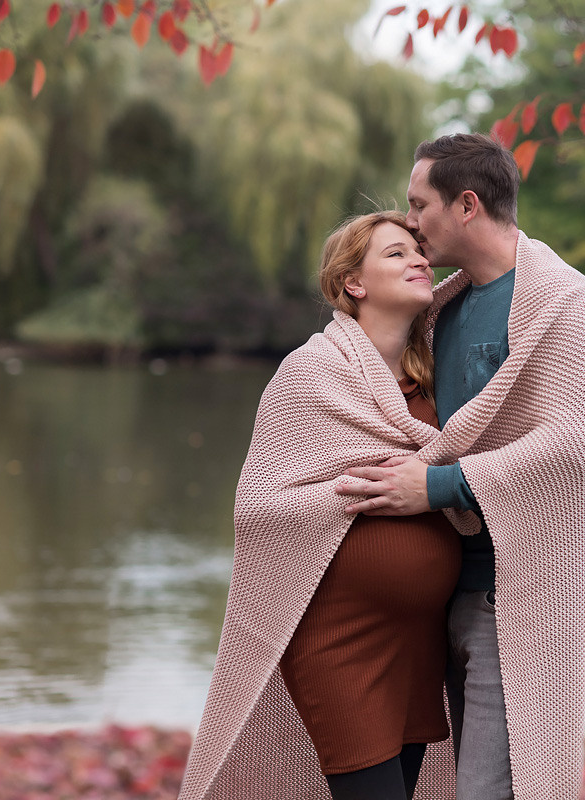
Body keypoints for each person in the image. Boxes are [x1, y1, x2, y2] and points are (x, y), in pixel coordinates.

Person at [335, 133, 585, 800]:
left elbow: (571, 446)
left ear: (466, 206)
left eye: (418, 204)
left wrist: (433, 486)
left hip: (520, 590)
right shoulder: (442, 310)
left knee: (491, 790)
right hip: (442, 591)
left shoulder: (568, 305)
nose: (409, 220)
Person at [177, 211, 465, 800]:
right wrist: (365, 490)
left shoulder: (435, 382)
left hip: (419, 642)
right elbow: (258, 507)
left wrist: (428, 487)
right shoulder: (310, 374)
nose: (419, 261)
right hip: (339, 640)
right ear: (352, 283)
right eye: (395, 254)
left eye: (418, 251)